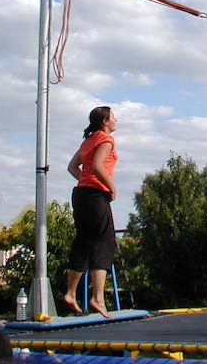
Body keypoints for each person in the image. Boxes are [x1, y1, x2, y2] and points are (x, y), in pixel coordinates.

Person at [63, 106, 118, 319]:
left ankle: (70, 293)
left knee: (83, 241)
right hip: (96, 197)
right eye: (113, 117)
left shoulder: (88, 140)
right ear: (105, 120)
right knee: (104, 242)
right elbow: (96, 166)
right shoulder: (105, 139)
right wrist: (111, 186)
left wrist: (86, 182)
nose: (116, 120)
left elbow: (72, 167)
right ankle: (98, 298)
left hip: (80, 195)